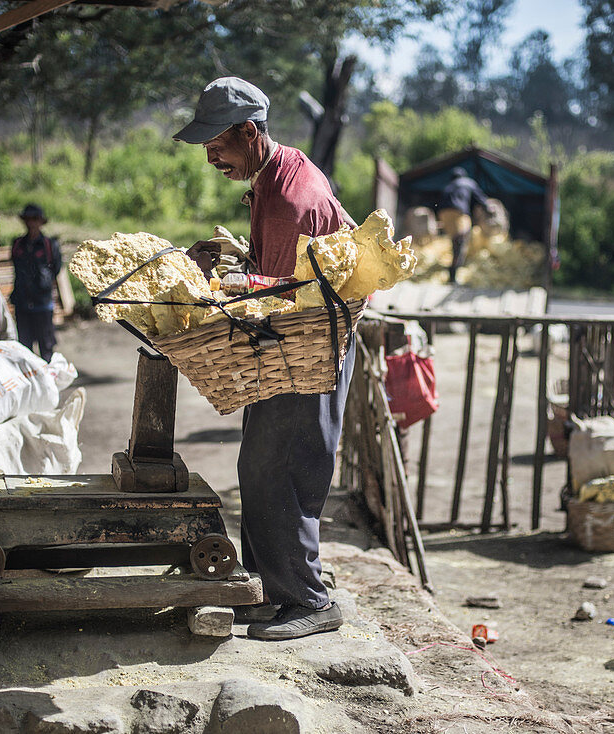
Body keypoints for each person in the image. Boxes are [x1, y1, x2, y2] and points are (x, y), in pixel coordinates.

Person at [175, 77, 356, 641]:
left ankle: (307, 601)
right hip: (289, 344)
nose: (210, 159)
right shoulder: (279, 169)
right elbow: (285, 271)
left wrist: (221, 283)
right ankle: (270, 588)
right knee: (259, 464)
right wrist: (236, 257)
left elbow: (283, 296)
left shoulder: (286, 200)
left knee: (282, 467)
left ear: (250, 132)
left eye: (217, 146)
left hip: (307, 345)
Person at [10, 204, 62, 362]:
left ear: (40, 221)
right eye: (28, 219)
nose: (31, 223)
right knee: (24, 349)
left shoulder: (49, 244)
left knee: (46, 347)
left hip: (42, 304)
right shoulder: (18, 244)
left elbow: (56, 269)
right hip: (22, 303)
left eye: (34, 219)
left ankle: (48, 384)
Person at [438, 166, 493, 284]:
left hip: (443, 214)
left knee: (454, 242)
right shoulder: (468, 182)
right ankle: (453, 276)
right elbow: (481, 199)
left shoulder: (449, 186)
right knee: (461, 244)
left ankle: (451, 272)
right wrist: (488, 208)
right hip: (458, 213)